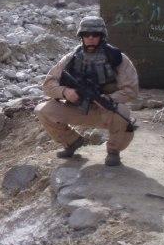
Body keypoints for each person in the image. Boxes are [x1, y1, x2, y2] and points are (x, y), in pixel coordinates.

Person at [34, 16, 139, 166]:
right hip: (78, 108)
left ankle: (113, 151)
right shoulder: (71, 58)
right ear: (81, 36)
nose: (90, 38)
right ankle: (72, 141)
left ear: (102, 36)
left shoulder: (117, 58)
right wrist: (64, 92)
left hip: (105, 111)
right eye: (86, 34)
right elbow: (48, 84)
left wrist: (110, 99)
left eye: (95, 35)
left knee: (123, 114)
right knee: (42, 110)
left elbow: (131, 90)